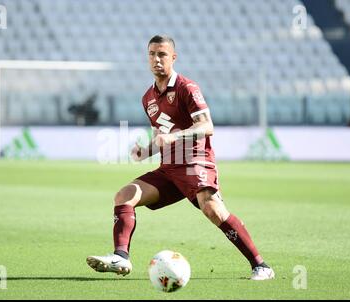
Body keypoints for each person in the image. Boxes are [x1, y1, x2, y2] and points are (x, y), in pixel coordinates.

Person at [87, 35, 275, 280]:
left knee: (213, 210)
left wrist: (175, 137)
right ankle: (120, 257)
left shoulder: (187, 88)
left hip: (195, 162)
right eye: (152, 54)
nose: (156, 59)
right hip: (169, 169)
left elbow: (207, 126)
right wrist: (145, 151)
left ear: (173, 57)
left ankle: (261, 266)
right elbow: (160, 137)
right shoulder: (148, 99)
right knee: (124, 196)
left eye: (162, 54)